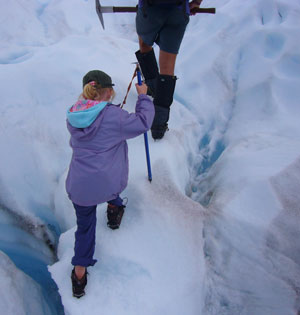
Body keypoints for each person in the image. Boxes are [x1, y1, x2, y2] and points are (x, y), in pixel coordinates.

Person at [65, 70, 154, 298]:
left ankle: (79, 276)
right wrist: (143, 97)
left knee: (85, 227)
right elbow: (143, 122)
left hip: (79, 186)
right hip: (106, 182)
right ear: (108, 91)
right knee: (111, 187)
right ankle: (114, 212)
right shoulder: (114, 117)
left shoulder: (74, 114)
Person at [135, 0, 203, 140]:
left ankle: (153, 87)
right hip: (177, 11)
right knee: (167, 66)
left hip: (150, 10)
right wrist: (196, 2)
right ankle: (158, 127)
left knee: (144, 44)